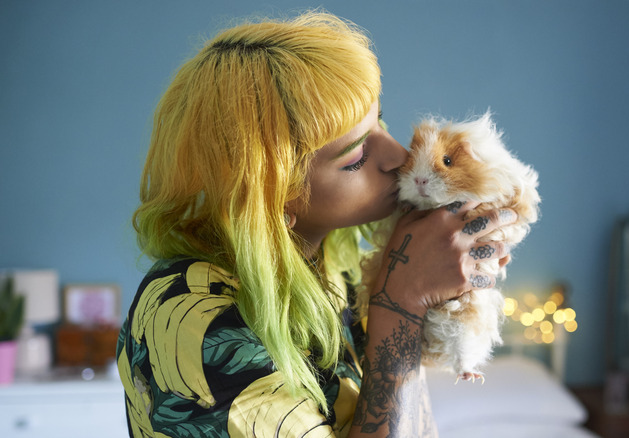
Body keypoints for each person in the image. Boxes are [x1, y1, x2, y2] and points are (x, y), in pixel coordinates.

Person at [116, 10, 516, 438]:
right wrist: (400, 304)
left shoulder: (332, 264)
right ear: (268, 196)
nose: (399, 156)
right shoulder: (199, 322)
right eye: (356, 157)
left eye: (378, 120)